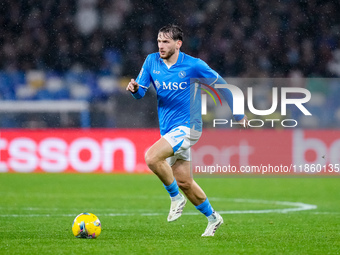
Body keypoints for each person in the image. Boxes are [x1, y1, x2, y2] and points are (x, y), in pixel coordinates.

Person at [126, 24, 248, 236]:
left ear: (178, 43)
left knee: (152, 158)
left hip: (189, 127)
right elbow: (141, 92)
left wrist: (238, 114)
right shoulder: (151, 61)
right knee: (184, 181)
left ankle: (175, 197)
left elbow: (222, 85)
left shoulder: (193, 65)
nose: (161, 46)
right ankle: (213, 218)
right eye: (159, 41)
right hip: (169, 131)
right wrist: (135, 89)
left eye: (166, 42)